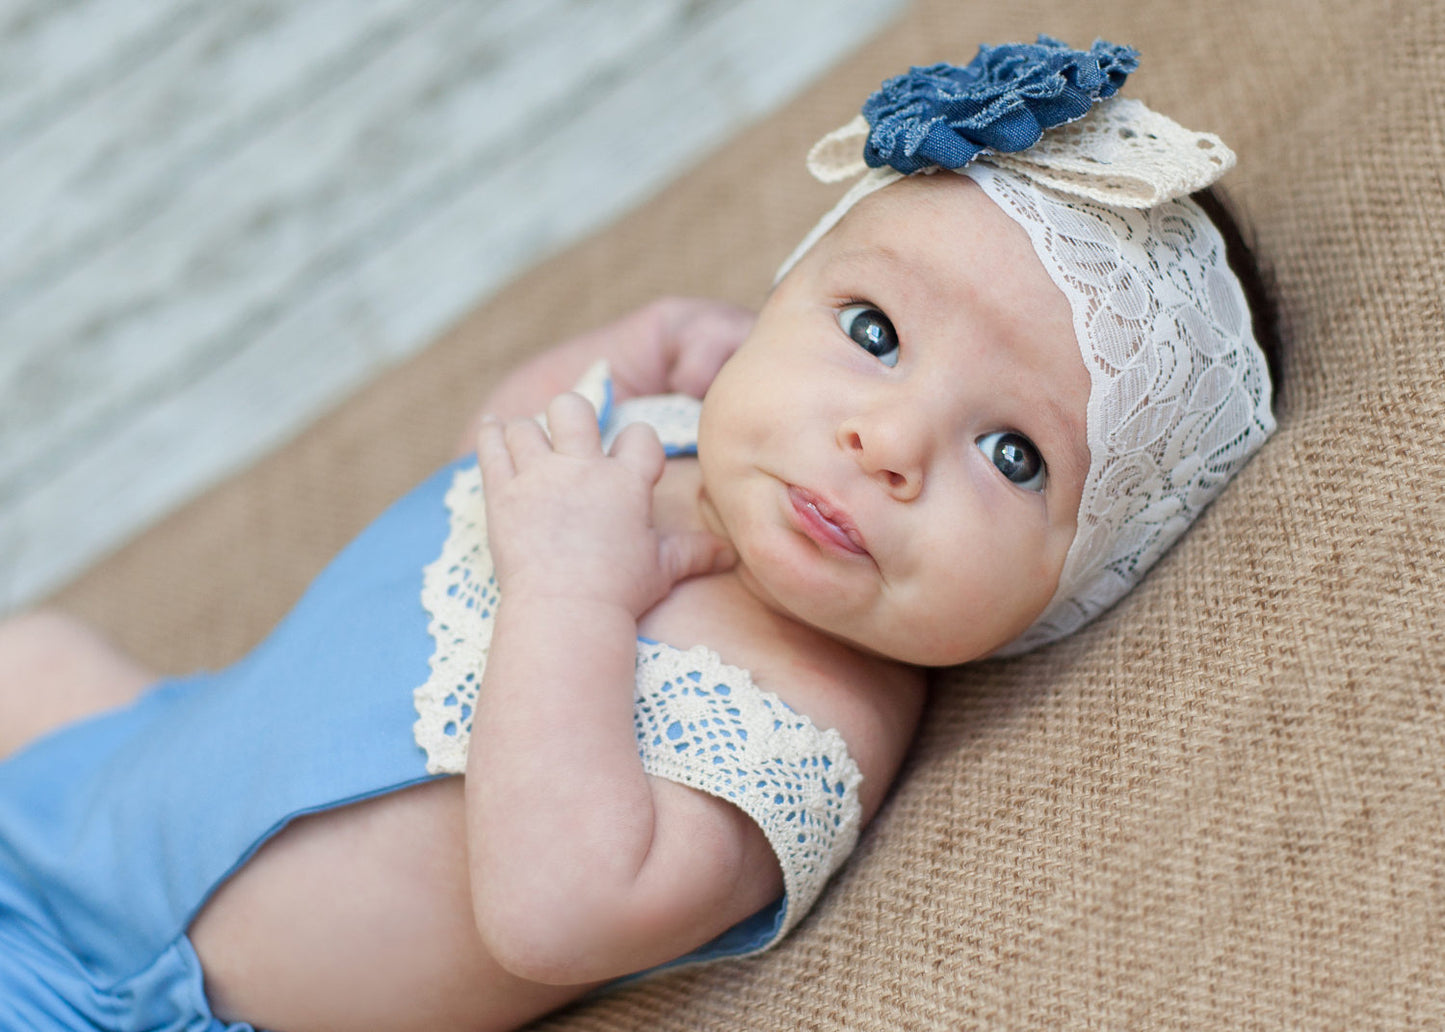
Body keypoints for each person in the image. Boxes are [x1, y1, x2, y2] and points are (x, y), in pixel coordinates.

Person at [0, 37, 1275, 1032]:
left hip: (127, 997)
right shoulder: (675, 436)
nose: (885, 441)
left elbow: (554, 911)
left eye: (1012, 455)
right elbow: (489, 468)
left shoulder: (810, 718)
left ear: (1075, 582)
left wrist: (570, 592)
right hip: (113, 775)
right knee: (30, 653)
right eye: (872, 332)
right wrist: (617, 355)